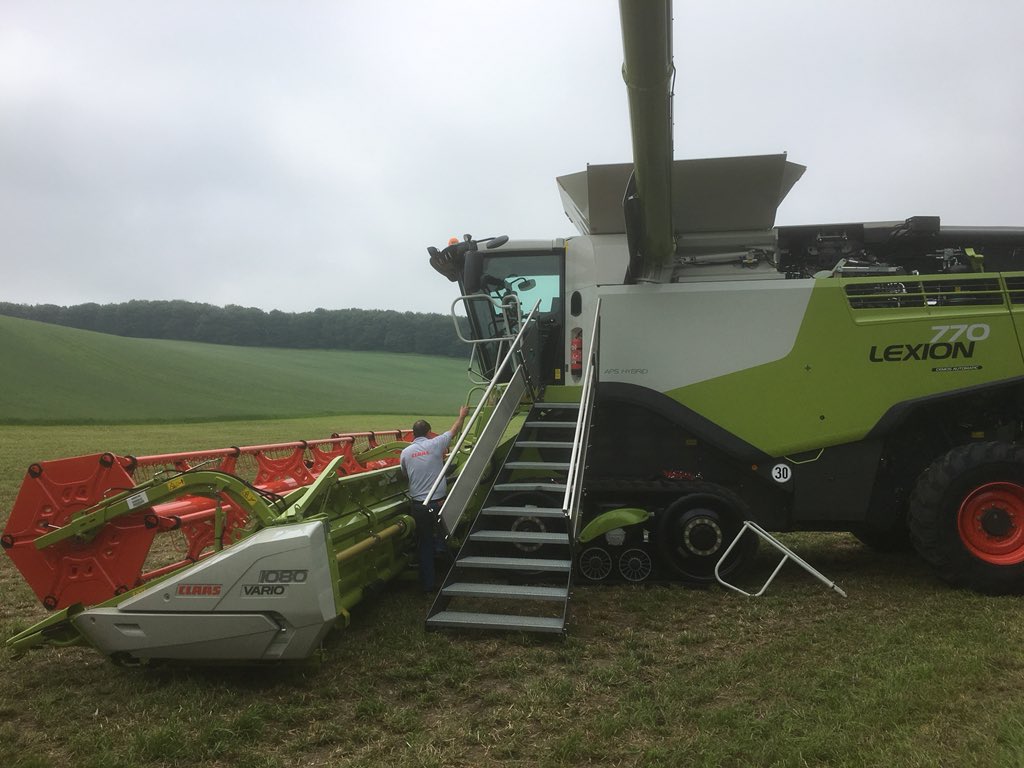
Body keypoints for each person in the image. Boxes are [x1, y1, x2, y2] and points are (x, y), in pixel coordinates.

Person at [400, 405, 469, 592]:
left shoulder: (405, 453)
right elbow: (454, 431)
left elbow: (405, 475)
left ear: (413, 434)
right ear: (429, 432)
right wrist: (462, 415)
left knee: (425, 542)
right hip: (437, 502)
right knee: (445, 536)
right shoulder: (436, 443)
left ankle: (428, 584)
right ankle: (454, 576)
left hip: (418, 505)